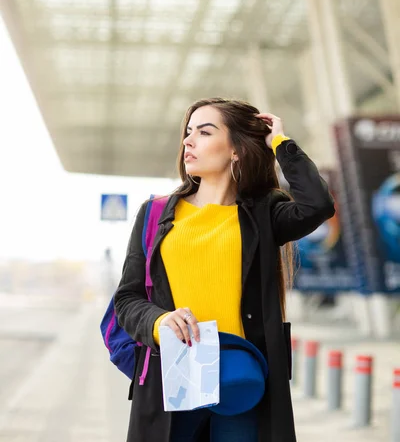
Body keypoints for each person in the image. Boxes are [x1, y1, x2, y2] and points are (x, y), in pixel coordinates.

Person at [114, 97, 335, 442]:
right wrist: (159, 322)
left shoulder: (263, 214)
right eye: (188, 133)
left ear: (236, 150)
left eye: (204, 132)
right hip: (173, 377)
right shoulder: (154, 214)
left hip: (240, 379)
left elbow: (317, 205)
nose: (188, 141)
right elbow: (127, 299)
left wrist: (280, 143)